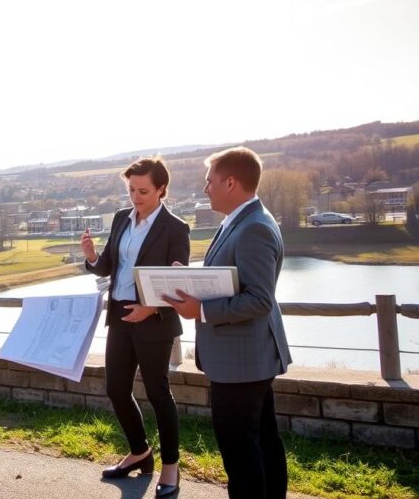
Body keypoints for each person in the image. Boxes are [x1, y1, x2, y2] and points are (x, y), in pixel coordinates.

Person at [163, 146, 292, 499]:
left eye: (210, 182)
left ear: (231, 182)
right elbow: (232, 280)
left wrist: (199, 311)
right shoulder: (241, 220)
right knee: (263, 440)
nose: (206, 189)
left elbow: (259, 299)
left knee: (240, 450)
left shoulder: (254, 228)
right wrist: (190, 279)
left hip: (243, 362)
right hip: (248, 358)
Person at [82, 157, 189, 499]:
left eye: (143, 190)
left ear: (161, 189)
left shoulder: (175, 228)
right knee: (115, 388)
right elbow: (108, 267)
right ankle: (140, 451)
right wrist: (92, 257)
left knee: (158, 394)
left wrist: (150, 308)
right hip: (120, 316)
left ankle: (170, 467)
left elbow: (179, 282)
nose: (135, 196)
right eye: (131, 189)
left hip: (155, 321)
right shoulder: (120, 219)